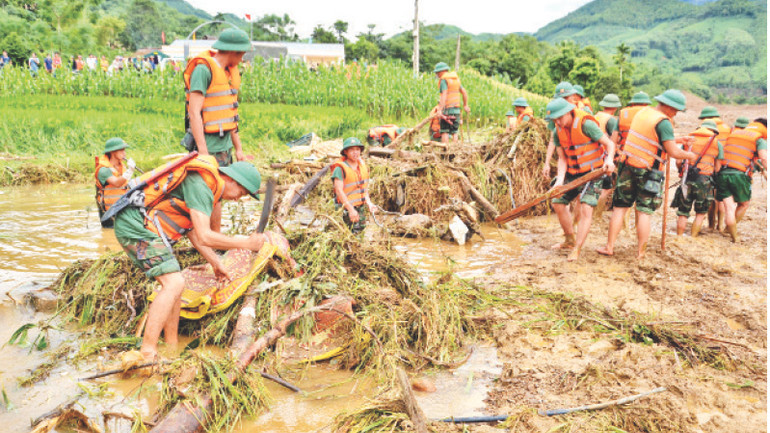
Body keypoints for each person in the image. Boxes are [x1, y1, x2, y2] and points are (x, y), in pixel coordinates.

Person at [113, 155, 270, 360]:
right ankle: (148, 351)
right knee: (174, 283)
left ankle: (172, 347)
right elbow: (205, 235)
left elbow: (193, 233)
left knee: (177, 285)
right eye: (240, 192)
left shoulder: (207, 187)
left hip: (143, 225)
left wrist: (216, 262)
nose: (237, 198)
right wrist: (247, 244)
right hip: (134, 224)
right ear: (232, 179)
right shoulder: (202, 183)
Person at [597, 89, 697, 260]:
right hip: (648, 171)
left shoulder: (643, 113)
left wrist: (679, 139)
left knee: (620, 208)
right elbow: (672, 151)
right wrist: (689, 155)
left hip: (627, 166)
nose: (676, 113)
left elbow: (651, 139)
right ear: (668, 106)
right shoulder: (663, 122)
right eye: (675, 110)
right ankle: (640, 253)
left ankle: (609, 246)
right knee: (644, 211)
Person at [183, 28, 252, 233]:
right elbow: (194, 113)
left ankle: (215, 236)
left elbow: (229, 114)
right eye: (242, 55)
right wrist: (203, 153)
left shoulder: (227, 73)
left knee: (219, 193)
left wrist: (238, 149)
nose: (242, 59)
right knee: (207, 192)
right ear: (234, 52)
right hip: (208, 145)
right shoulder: (203, 70)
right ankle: (207, 238)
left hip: (224, 145)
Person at [545, 98, 616, 261]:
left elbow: (610, 144)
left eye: (560, 117)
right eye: (554, 119)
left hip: (593, 173)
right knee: (557, 202)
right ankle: (569, 239)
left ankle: (577, 249)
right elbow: (562, 159)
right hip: (572, 172)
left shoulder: (586, 125)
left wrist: (609, 160)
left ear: (569, 112)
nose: (558, 122)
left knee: (585, 208)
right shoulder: (557, 131)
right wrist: (559, 181)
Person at [715, 118, 767, 242]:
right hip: (739, 175)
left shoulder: (734, 133)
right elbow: (764, 159)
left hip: (722, 173)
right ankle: (729, 231)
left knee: (728, 207)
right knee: (744, 204)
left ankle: (729, 232)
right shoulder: (758, 139)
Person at [672, 120, 723, 237]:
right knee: (700, 213)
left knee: (682, 212)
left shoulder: (689, 138)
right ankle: (693, 238)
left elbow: (679, 161)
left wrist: (682, 171)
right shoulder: (716, 143)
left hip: (687, 178)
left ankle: (679, 238)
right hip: (704, 180)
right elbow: (718, 168)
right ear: (714, 131)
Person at [331, 137, 377, 233]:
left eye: (357, 149)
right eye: (351, 150)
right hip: (345, 208)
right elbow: (339, 191)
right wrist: (351, 210)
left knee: (360, 231)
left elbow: (364, 188)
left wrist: (369, 203)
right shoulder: (340, 169)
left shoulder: (362, 167)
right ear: (346, 152)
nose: (355, 152)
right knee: (347, 234)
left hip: (359, 207)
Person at [697, 106, 731, 231]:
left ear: (706, 118)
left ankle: (711, 224)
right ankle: (720, 226)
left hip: (711, 166)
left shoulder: (705, 128)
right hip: (726, 166)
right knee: (721, 199)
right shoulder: (728, 128)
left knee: (712, 198)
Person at [542, 82, 583, 179]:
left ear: (573, 96)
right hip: (565, 157)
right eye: (561, 99)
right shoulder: (556, 116)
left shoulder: (582, 113)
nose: (563, 101)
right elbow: (553, 140)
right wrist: (547, 163)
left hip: (583, 160)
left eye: (566, 98)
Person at [95, 138, 135, 228]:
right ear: (113, 152)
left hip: (123, 210)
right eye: (121, 150)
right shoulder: (103, 170)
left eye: (124, 150)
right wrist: (130, 171)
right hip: (110, 215)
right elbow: (117, 183)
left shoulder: (122, 166)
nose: (124, 153)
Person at [595, 94, 622, 210]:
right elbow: (616, 138)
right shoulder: (611, 120)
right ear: (616, 108)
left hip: (594, 155)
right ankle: (597, 213)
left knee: (596, 186)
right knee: (606, 188)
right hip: (605, 156)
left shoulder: (596, 116)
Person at [433, 62, 470, 144]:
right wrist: (465, 105)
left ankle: (445, 152)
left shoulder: (444, 80)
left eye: (437, 73)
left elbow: (444, 95)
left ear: (442, 71)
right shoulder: (456, 79)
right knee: (455, 131)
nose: (437, 75)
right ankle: (455, 150)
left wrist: (440, 110)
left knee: (444, 131)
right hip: (456, 110)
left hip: (447, 110)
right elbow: (464, 92)